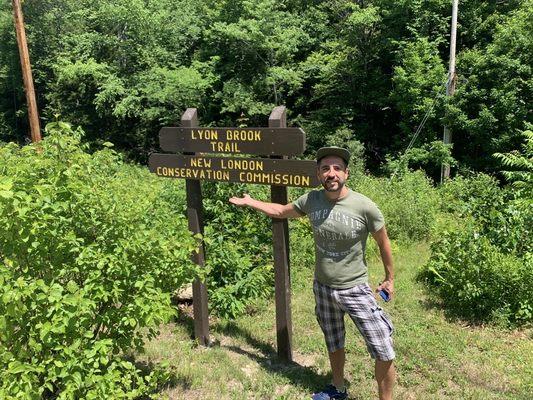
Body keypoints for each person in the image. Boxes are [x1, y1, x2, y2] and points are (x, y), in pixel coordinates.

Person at [229, 146, 395, 400]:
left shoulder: (364, 206)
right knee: (333, 340)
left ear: (346, 173)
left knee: (383, 349)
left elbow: (383, 242)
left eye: (337, 168)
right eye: (325, 169)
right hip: (323, 288)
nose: (332, 173)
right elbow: (281, 211)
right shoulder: (311, 200)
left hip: (355, 289)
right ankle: (338, 388)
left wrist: (389, 278)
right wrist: (251, 202)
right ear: (318, 174)